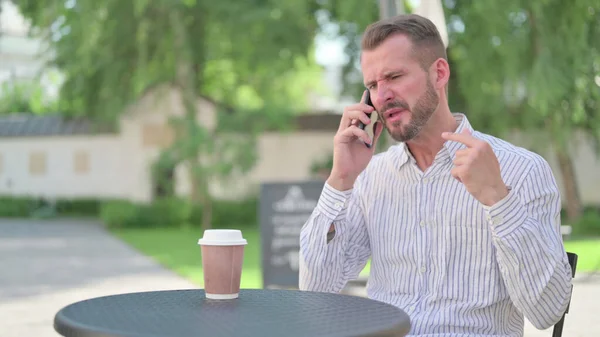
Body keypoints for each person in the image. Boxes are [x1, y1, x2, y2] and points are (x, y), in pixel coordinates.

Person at [298, 14, 573, 336]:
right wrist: (340, 180)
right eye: (372, 85)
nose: (381, 95)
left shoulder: (521, 170)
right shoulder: (370, 177)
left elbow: (547, 311)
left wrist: (499, 201)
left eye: (394, 76)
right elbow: (316, 291)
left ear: (439, 73)